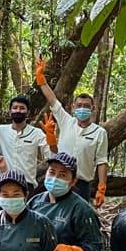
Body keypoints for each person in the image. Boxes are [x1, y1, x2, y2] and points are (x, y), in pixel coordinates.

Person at [34, 59, 110, 206]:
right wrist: (41, 80)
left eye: (87, 106)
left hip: (81, 184)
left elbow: (101, 162)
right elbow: (52, 100)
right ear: (74, 107)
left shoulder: (99, 133)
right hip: (59, 179)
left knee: (77, 220)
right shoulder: (66, 121)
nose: (83, 108)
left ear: (93, 108)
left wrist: (101, 187)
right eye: (79, 105)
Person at [0, 95, 51, 182]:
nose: (18, 110)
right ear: (10, 111)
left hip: (27, 184)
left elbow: (51, 155)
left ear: (28, 112)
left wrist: (52, 139)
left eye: (22, 108)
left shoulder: (37, 133)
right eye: (15, 108)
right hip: (2, 182)